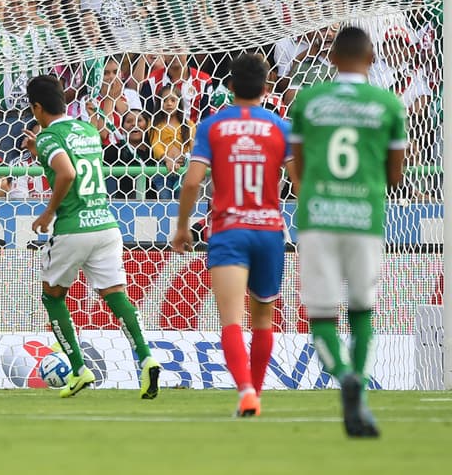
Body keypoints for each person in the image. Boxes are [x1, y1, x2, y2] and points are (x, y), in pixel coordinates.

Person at [288, 27, 407, 439]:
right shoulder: (389, 104)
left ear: (332, 59)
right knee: (362, 310)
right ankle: (360, 378)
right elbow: (395, 175)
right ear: (372, 58)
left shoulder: (309, 100)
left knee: (321, 313)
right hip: (365, 217)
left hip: (319, 217)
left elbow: (297, 166)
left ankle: (342, 376)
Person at [24, 73, 161, 400]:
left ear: (37, 108)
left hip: (74, 228)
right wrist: (39, 149)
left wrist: (47, 213)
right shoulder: (88, 130)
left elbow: (67, 172)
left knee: (53, 295)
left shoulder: (48, 136)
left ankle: (78, 369)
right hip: (106, 224)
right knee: (116, 295)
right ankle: (146, 358)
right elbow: (77, 161)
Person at [172, 53, 291, 418]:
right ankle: (256, 389)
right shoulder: (280, 127)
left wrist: (181, 227)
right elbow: (300, 182)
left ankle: (245, 393)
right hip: (270, 229)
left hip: (229, 229)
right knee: (263, 320)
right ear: (266, 86)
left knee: (231, 320)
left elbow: (192, 180)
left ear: (230, 85)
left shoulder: (212, 125)